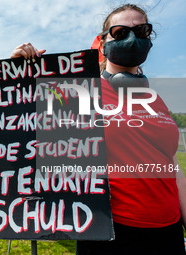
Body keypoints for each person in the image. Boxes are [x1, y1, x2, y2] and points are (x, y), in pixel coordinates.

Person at [10, 4, 186, 255]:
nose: (132, 39)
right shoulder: (76, 93)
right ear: (102, 44)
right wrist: (15, 73)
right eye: (120, 32)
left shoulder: (154, 99)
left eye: (142, 31)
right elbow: (22, 128)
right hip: (109, 232)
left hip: (168, 231)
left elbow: (171, 164)